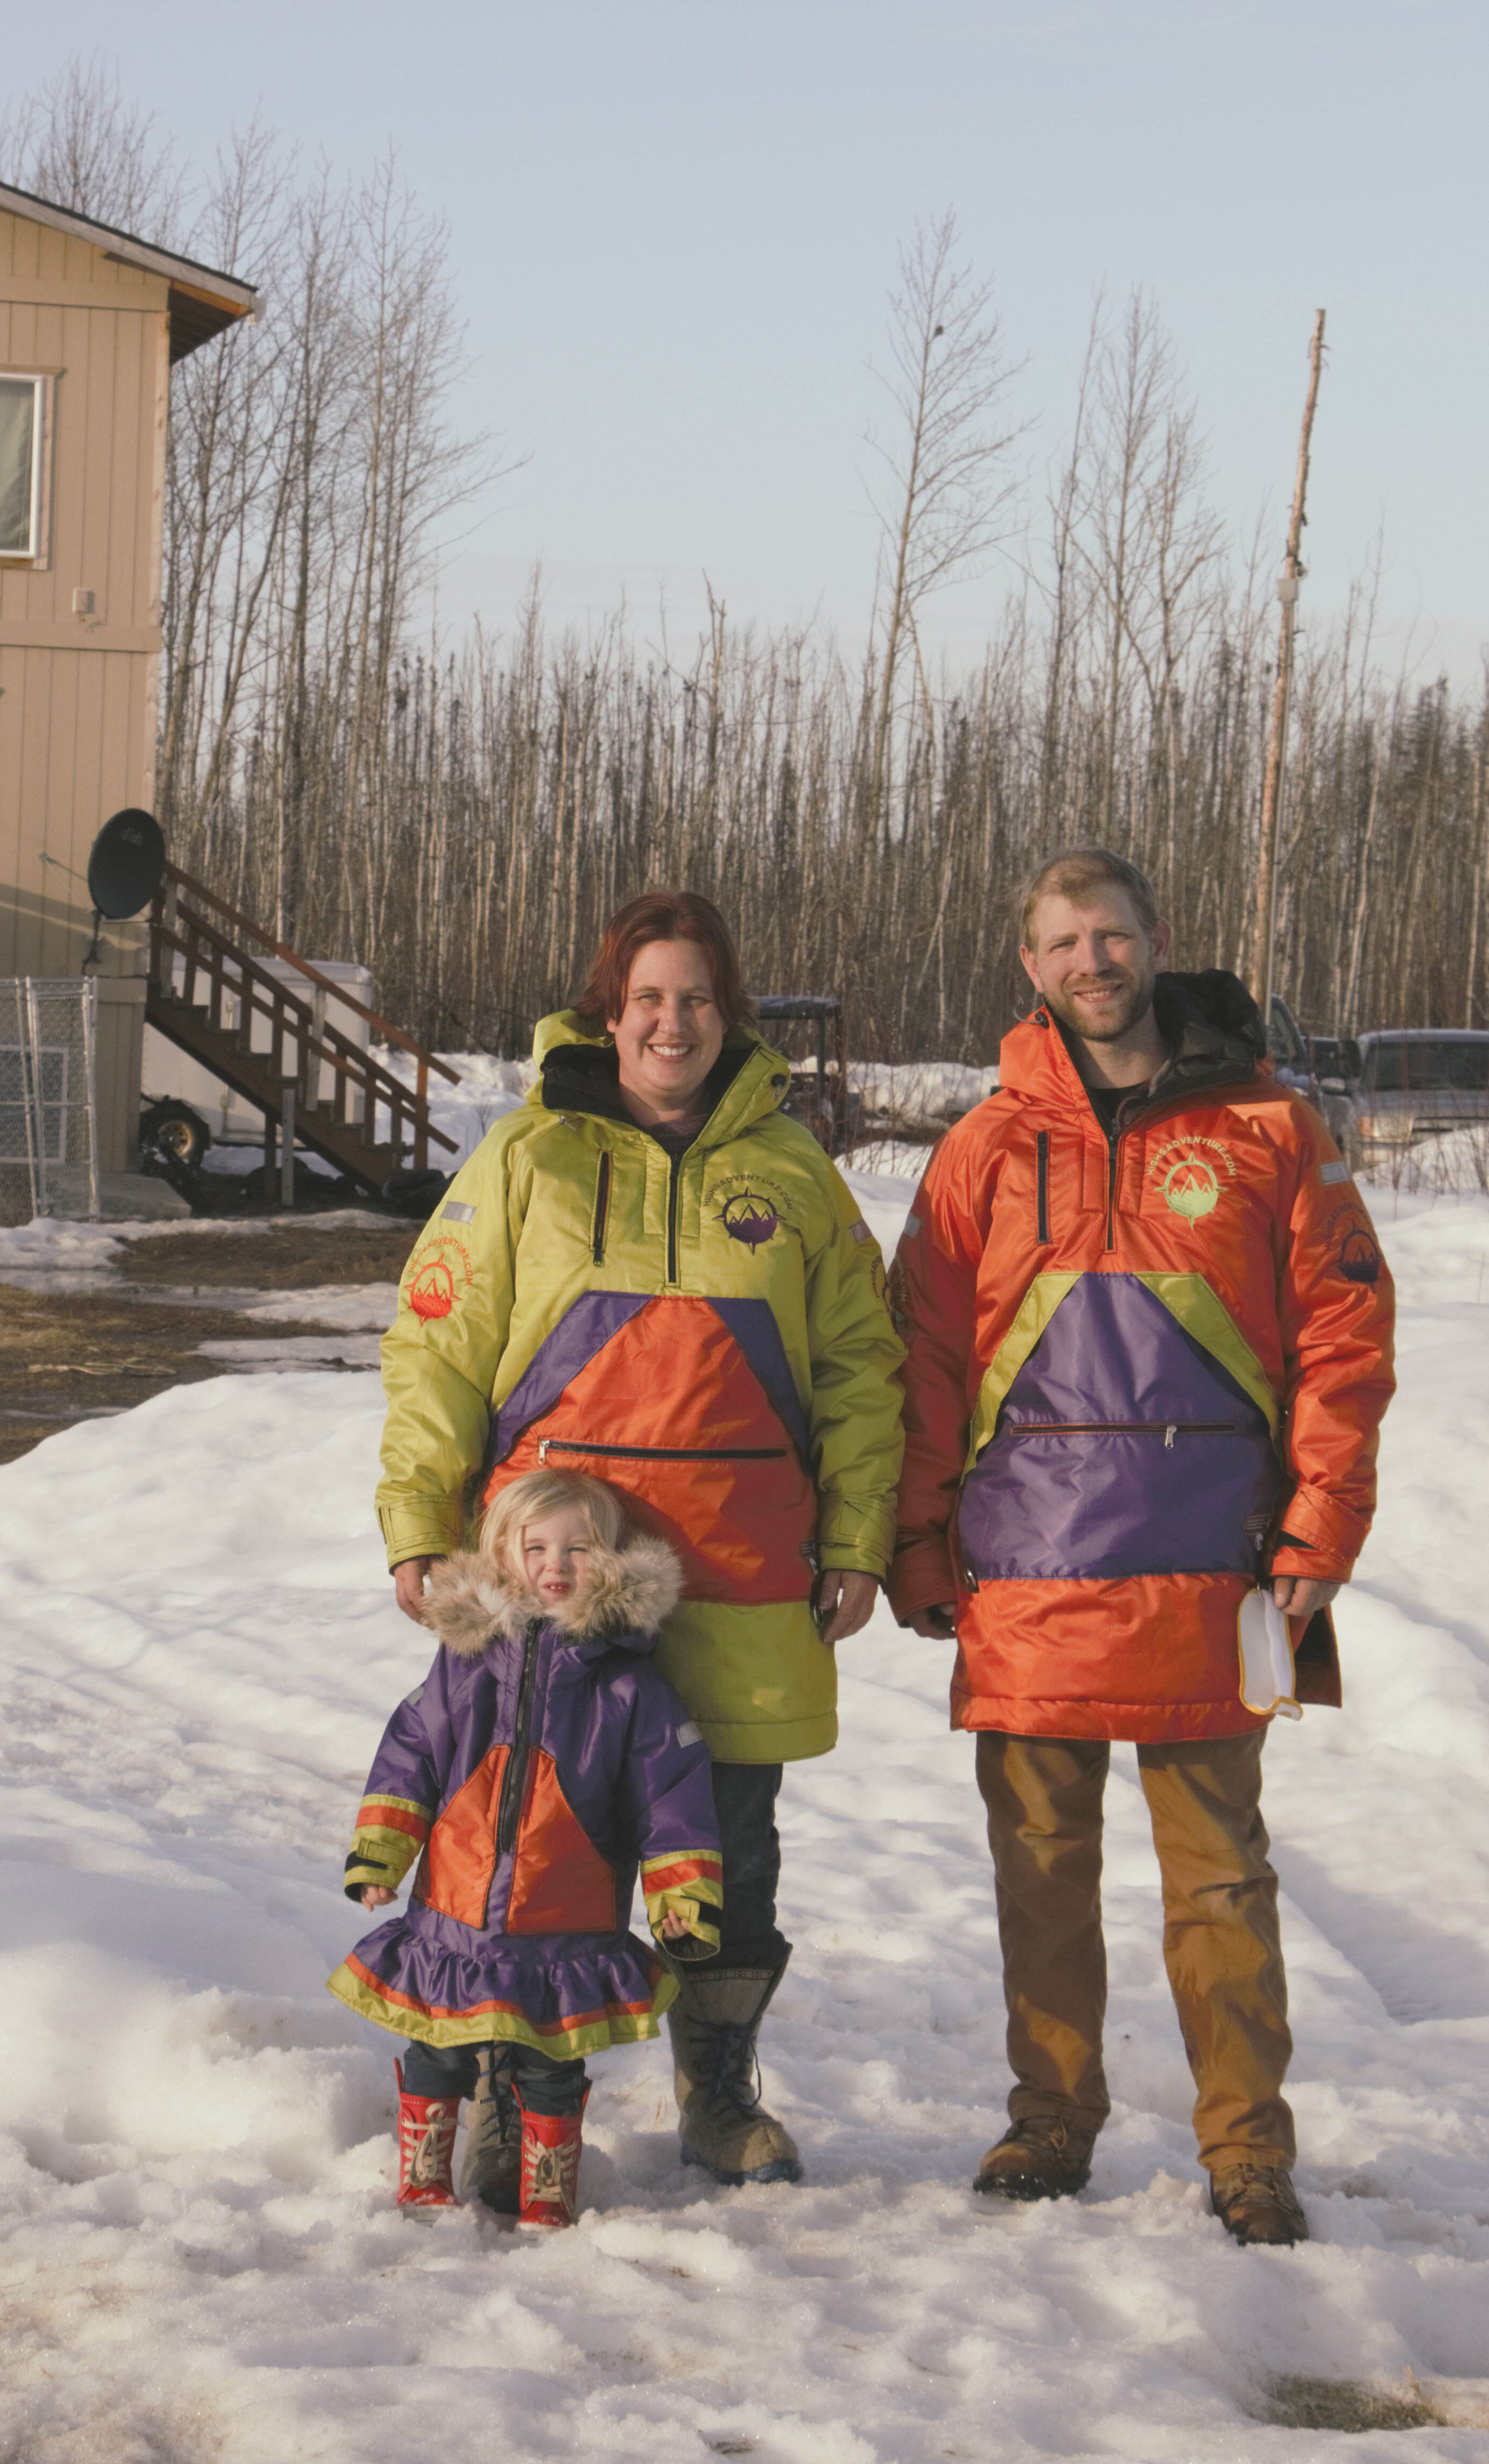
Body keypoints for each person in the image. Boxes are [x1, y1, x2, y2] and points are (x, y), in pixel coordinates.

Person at [887, 846, 1395, 2246]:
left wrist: (1321, 1529)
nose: (1090, 963)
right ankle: (1051, 2124)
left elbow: (1348, 1340)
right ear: (1028, 967)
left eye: (1110, 936)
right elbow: (921, 1358)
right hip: (1023, 1579)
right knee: (1038, 1873)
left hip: (1215, 1573)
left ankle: (1248, 2156)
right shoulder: (984, 1147)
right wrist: (914, 1545)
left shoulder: (1272, 1128)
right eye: (1062, 942)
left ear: (1156, 943)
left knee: (1222, 1878)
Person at [375, 889, 904, 2183]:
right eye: (649, 999)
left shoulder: (793, 1174)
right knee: (535, 1847)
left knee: (726, 1856)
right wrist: (418, 1525)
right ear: (609, 1014)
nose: (674, 1022)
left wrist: (858, 1540)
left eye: (698, 999)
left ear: (730, 1016)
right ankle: (510, 2084)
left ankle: (717, 2095)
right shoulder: (526, 1158)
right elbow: (438, 1345)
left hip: (741, 1583)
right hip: (551, 1586)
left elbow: (859, 1366)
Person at [328, 1473, 722, 2226]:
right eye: (535, 1546)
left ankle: (548, 2184)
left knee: (551, 2063)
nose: (557, 1563)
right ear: (502, 1552)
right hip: (453, 1912)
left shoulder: (629, 1684)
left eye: (579, 1547)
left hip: (565, 1919)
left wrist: (682, 1895)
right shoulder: (466, 1662)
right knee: (437, 2049)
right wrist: (382, 1856)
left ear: (609, 1559)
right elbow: (413, 1751)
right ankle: (424, 2173)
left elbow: (671, 1793)